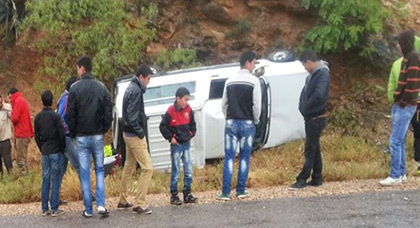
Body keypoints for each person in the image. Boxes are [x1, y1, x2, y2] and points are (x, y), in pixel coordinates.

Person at [67, 56, 112, 217]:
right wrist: (103, 128)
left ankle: (88, 209)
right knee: (100, 169)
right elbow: (108, 111)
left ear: (81, 68)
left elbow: (70, 115)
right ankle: (101, 204)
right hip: (98, 134)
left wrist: (74, 133)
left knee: (85, 171)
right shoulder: (101, 87)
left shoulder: (74, 88)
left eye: (77, 68)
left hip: (81, 136)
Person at [216, 51, 261, 201]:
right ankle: (240, 190)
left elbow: (224, 105)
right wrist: (255, 120)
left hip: (231, 123)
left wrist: (228, 117)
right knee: (244, 157)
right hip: (247, 123)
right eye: (254, 63)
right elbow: (257, 106)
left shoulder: (229, 81)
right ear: (247, 63)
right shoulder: (254, 81)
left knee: (229, 158)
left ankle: (225, 192)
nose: (254, 66)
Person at [380, 30, 420, 186]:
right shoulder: (406, 58)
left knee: (395, 141)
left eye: (398, 43)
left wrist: (403, 101)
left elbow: (412, 84)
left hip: (405, 105)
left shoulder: (413, 58)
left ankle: (395, 174)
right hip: (401, 103)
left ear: (404, 43)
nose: (396, 46)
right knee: (400, 140)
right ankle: (401, 173)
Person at [289, 50, 330, 190]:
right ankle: (317, 177)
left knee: (310, 149)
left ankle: (302, 178)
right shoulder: (313, 75)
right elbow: (305, 92)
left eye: (304, 65)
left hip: (317, 116)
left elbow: (319, 95)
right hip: (312, 116)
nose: (304, 68)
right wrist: (303, 107)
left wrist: (306, 107)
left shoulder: (322, 74)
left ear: (309, 62)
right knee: (315, 147)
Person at [117, 65, 154, 214]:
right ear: (141, 78)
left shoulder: (130, 87)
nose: (149, 82)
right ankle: (139, 203)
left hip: (126, 134)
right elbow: (132, 117)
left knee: (128, 167)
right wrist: (141, 133)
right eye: (148, 79)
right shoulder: (137, 90)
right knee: (147, 168)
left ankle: (123, 199)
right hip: (134, 135)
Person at [159, 87, 198, 205]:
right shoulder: (170, 111)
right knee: (175, 169)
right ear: (178, 99)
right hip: (176, 144)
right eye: (185, 99)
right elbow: (163, 126)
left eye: (188, 100)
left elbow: (193, 124)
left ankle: (187, 193)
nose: (187, 102)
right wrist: (171, 138)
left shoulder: (189, 109)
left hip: (186, 142)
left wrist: (191, 134)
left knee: (188, 168)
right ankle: (174, 194)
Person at [34, 90, 65, 217]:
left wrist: (41, 147)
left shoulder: (38, 117)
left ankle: (44, 208)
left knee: (45, 178)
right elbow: (61, 134)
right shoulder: (56, 116)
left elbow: (36, 136)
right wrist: (62, 148)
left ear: (41, 102)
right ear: (52, 101)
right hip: (56, 150)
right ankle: (54, 207)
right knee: (55, 178)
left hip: (45, 150)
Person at [57, 76, 80, 205]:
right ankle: (88, 193)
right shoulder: (66, 99)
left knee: (61, 167)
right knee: (79, 164)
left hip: (63, 137)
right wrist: (68, 132)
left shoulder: (63, 97)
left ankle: (55, 196)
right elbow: (60, 117)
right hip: (66, 138)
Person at [8, 88, 34, 174]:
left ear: (11, 95)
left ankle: (23, 178)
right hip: (25, 133)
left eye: (9, 97)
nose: (9, 99)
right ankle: (26, 177)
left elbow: (15, 118)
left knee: (20, 159)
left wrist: (11, 117)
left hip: (21, 134)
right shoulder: (22, 100)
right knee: (24, 157)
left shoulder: (17, 102)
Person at [0, 95, 13, 176]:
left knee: (7, 160)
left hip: (5, 139)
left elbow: (13, 115)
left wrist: (4, 106)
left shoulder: (7, 107)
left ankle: (11, 177)